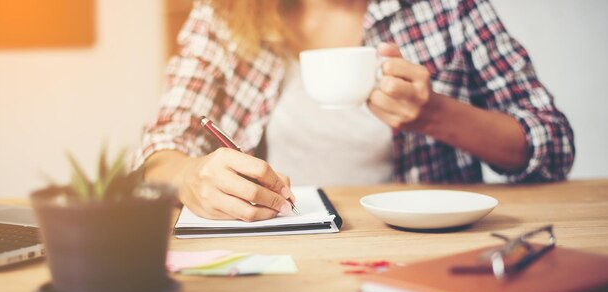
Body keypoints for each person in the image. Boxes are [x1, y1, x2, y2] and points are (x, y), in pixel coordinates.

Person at [133, 0, 574, 221]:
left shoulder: (445, 8)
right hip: (280, 244)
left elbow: (552, 142)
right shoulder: (226, 12)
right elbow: (164, 144)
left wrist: (434, 114)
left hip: (418, 251)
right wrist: (189, 177)